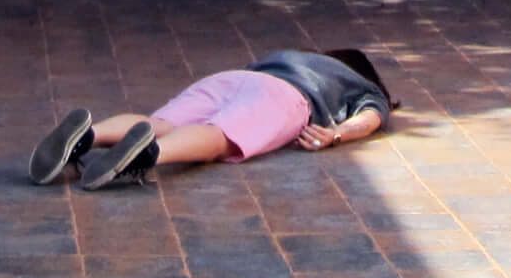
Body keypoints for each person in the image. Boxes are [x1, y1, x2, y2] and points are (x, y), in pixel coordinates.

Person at [30, 48, 396, 189]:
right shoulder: (360, 84)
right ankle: (149, 155)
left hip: (235, 77)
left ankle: (89, 135)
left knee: (162, 124)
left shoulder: (294, 55)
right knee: (221, 136)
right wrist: (336, 135)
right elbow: (369, 119)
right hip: (285, 97)